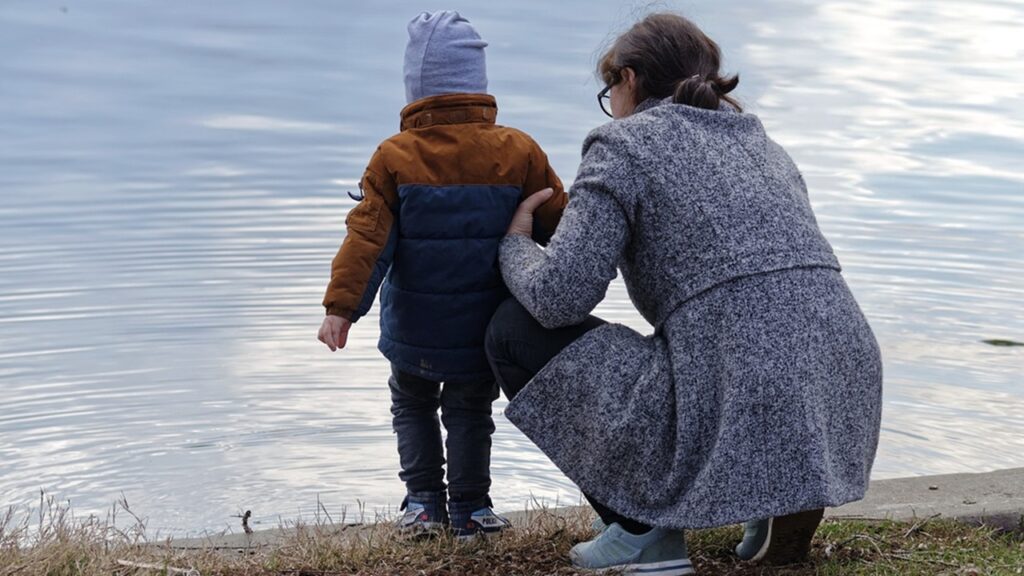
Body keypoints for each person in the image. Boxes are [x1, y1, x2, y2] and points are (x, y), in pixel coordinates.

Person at [485, 12, 882, 575]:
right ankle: (778, 492)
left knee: (513, 329)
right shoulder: (764, 146)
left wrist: (517, 244)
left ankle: (645, 536)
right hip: (843, 377)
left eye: (608, 92)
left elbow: (559, 298)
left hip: (742, 380)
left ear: (627, 79)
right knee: (740, 337)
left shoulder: (621, 145)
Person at [317, 10, 568, 539]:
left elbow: (369, 240)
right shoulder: (519, 150)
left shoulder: (393, 156)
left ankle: (423, 505)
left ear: (416, 89)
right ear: (478, 86)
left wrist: (342, 309)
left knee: (412, 404)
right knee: (472, 411)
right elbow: (561, 224)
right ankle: (472, 508)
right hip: (482, 329)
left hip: (414, 327)